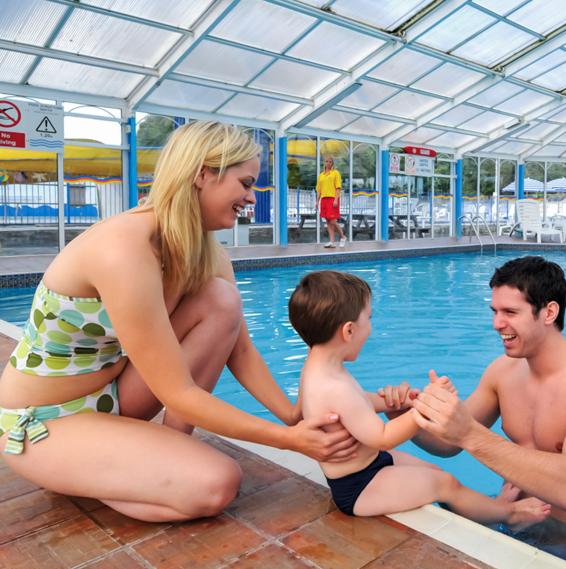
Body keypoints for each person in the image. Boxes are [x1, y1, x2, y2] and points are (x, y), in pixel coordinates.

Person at [0, 121, 407, 523]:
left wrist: (294, 416)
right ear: (202, 174)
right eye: (245, 183)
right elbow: (176, 390)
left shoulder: (206, 252)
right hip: (45, 419)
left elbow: (240, 349)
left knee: (222, 299)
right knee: (216, 484)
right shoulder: (123, 250)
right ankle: (109, 472)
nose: (251, 196)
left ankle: (149, 460)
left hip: (114, 397)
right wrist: (289, 442)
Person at [403, 256, 566, 569]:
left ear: (549, 312)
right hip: (513, 520)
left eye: (510, 312)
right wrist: (409, 417)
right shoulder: (503, 372)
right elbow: (447, 442)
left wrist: (469, 434)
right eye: (495, 312)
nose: (497, 323)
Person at [289, 270, 551, 526]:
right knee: (444, 484)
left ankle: (480, 512)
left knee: (437, 473)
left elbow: (357, 403)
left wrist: (401, 402)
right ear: (348, 331)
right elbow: (382, 436)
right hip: (359, 486)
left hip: (370, 464)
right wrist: (422, 410)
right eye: (369, 318)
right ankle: (507, 513)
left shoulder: (318, 369)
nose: (370, 327)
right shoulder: (334, 387)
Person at [316, 155, 345, 249]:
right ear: (324, 163)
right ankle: (332, 241)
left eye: (330, 162)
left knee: (333, 220)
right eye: (326, 161)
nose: (328, 163)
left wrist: (336, 199)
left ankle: (342, 237)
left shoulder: (335, 173)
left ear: (332, 163)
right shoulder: (321, 175)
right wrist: (317, 202)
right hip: (324, 199)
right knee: (328, 221)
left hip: (333, 199)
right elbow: (319, 190)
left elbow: (338, 187)